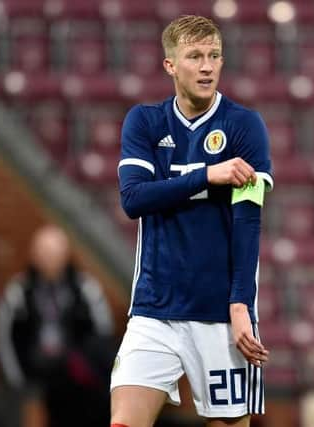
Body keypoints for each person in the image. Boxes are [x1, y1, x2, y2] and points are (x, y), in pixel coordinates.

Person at [110, 14, 273, 427]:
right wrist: (208, 174)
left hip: (219, 314)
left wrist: (241, 305)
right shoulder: (145, 122)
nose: (207, 66)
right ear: (170, 65)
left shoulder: (244, 126)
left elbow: (248, 222)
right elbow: (133, 199)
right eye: (195, 56)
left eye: (214, 56)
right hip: (154, 310)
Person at [0, 224, 115, 427]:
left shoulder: (85, 289)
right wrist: (18, 382)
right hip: (36, 376)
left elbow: (103, 334)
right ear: (34, 255)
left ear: (66, 254)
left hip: (76, 379)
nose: (49, 259)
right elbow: (4, 337)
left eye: (54, 253)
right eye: (44, 253)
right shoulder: (19, 291)